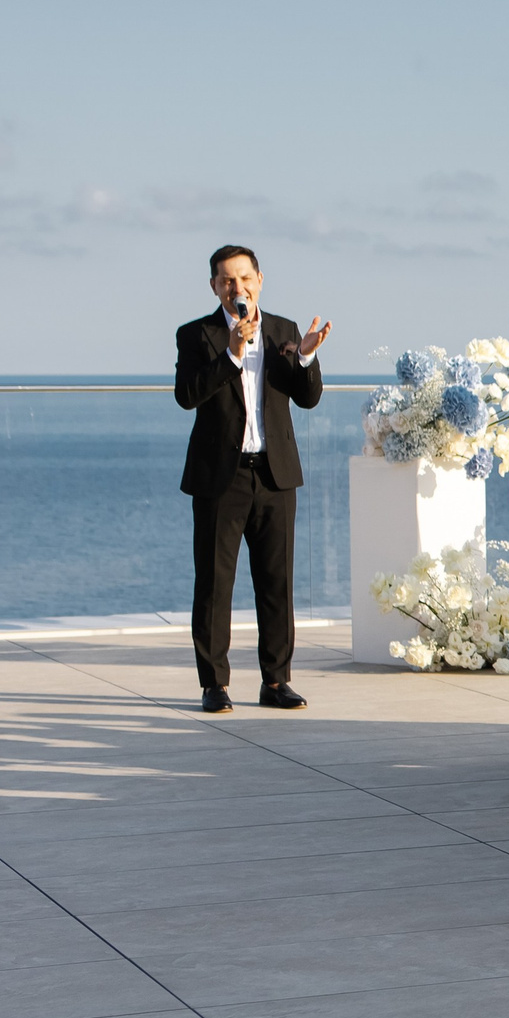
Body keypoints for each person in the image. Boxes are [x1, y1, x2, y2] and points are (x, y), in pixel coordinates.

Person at [174, 244, 330, 713]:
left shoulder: (283, 330)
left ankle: (276, 681)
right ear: (214, 287)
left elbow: (308, 399)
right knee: (215, 585)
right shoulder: (196, 335)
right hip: (220, 477)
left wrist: (304, 358)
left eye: (244, 278)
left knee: (276, 583)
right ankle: (214, 685)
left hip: (275, 473)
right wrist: (232, 353)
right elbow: (187, 396)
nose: (236, 288)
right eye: (226, 280)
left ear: (259, 280)